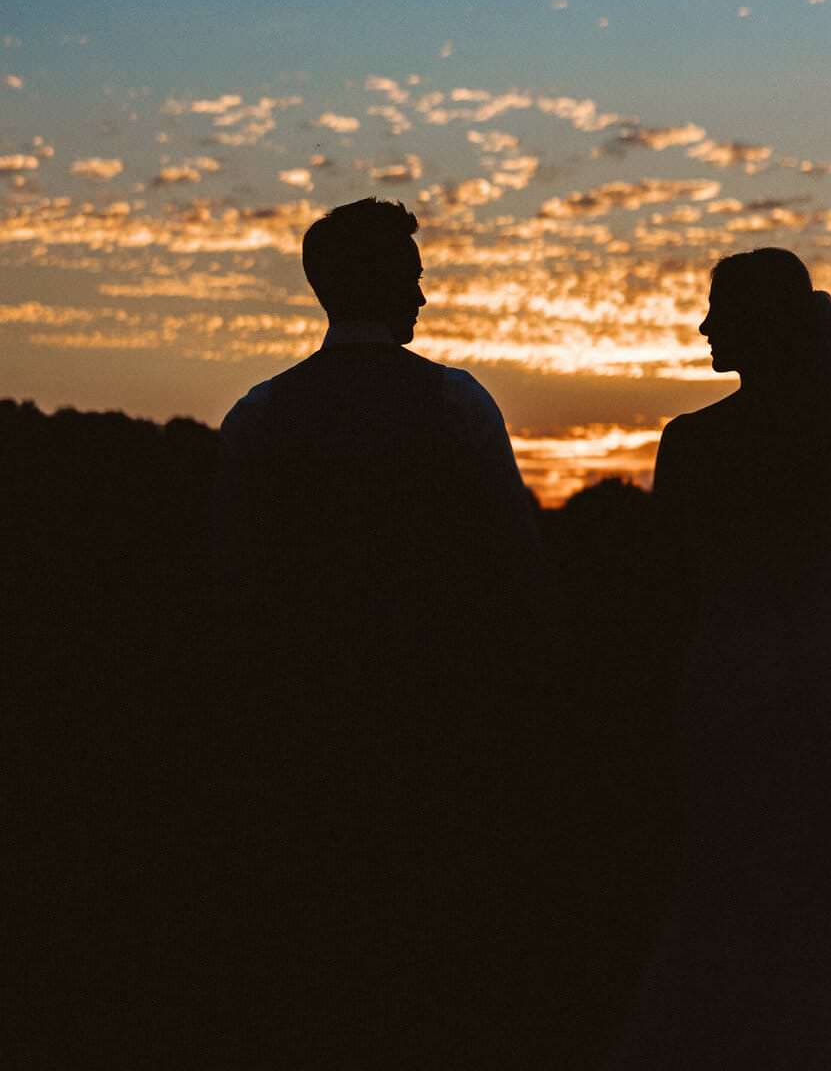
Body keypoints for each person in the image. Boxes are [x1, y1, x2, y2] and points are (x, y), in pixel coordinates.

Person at [612, 160, 831, 1069]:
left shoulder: (689, 442)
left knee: (726, 876)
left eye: (717, 311)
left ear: (755, 325)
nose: (702, 325)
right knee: (810, 882)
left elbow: (660, 586)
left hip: (724, 674)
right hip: (816, 672)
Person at [207, 198, 549, 1069]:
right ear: (373, 279)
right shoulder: (457, 404)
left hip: (299, 719)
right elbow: (515, 565)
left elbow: (232, 578)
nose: (425, 294)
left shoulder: (258, 415)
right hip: (435, 716)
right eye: (412, 272)